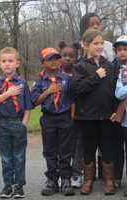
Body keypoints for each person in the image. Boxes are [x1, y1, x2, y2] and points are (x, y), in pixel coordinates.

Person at [71, 28, 118, 195]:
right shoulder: (79, 66)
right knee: (88, 148)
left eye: (101, 43)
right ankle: (88, 180)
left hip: (106, 115)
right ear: (85, 45)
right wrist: (96, 76)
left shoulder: (109, 65)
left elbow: (114, 90)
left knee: (107, 147)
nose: (99, 46)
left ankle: (109, 180)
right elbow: (76, 89)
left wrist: (114, 110)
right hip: (87, 116)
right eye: (95, 43)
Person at [0, 47, 32, 199]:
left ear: (17, 63)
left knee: (19, 156)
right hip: (3, 124)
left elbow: (28, 106)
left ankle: (19, 187)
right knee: (6, 157)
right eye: (4, 61)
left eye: (11, 61)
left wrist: (24, 123)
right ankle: (7, 186)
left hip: (18, 123)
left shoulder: (23, 83)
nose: (7, 64)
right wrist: (8, 93)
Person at [31, 47, 75, 196]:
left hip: (65, 117)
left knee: (66, 150)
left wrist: (72, 117)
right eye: (50, 59)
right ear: (43, 62)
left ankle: (66, 179)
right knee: (50, 151)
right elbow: (34, 102)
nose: (54, 62)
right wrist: (48, 91)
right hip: (48, 118)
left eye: (56, 58)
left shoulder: (67, 78)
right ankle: (52, 180)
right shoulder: (39, 82)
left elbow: (74, 98)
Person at [58, 41, 83, 188]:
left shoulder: (79, 71)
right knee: (63, 146)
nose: (67, 58)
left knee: (78, 144)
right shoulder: (56, 73)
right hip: (62, 115)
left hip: (79, 114)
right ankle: (64, 174)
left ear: (76, 57)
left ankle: (77, 174)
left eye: (71, 56)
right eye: (64, 55)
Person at [114, 35, 127, 196]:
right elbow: (118, 93)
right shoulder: (122, 72)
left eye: (125, 49)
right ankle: (117, 178)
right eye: (119, 50)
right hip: (124, 121)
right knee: (120, 150)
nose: (122, 53)